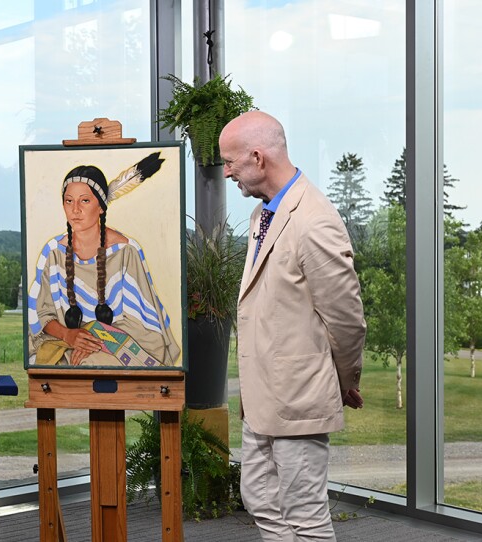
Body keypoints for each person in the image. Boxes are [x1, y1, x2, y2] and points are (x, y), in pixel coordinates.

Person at [219, 111, 366, 541]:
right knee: (261, 499)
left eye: (230, 162)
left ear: (258, 157)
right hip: (263, 396)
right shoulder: (261, 216)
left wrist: (342, 380)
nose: (227, 172)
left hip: (300, 396)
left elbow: (345, 317)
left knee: (303, 513)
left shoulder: (314, 218)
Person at [27, 154, 181, 367]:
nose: (75, 210)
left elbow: (140, 322)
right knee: (52, 362)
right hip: (66, 343)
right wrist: (69, 336)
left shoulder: (126, 251)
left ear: (100, 207)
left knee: (91, 363)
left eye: (85, 201)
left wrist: (92, 338)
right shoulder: (53, 252)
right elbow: (41, 312)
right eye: (69, 201)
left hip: (119, 344)